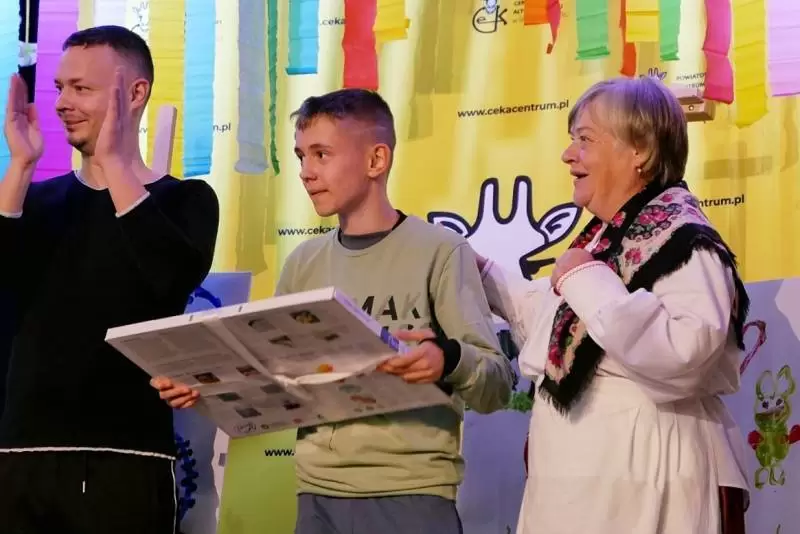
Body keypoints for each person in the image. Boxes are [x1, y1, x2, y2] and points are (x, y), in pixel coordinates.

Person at [154, 88, 515, 534]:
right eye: (300, 156)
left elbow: (498, 385)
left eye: (321, 154)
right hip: (316, 498)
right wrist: (205, 387)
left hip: (412, 493)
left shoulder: (440, 251)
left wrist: (448, 358)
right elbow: (276, 384)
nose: (306, 172)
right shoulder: (302, 263)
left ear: (376, 160)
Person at [477, 76, 750, 534]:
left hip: (643, 481)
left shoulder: (685, 241)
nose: (568, 155)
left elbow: (686, 352)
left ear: (639, 150)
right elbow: (558, 330)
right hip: (582, 485)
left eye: (585, 139)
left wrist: (586, 277)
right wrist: (482, 273)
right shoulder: (607, 238)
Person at [0, 25, 219, 534]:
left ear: (135, 94)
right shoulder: (35, 200)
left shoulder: (184, 200)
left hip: (126, 456)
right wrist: (21, 167)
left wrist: (115, 161)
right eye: (60, 88)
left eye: (82, 88)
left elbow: (167, 279)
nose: (63, 103)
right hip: (21, 454)